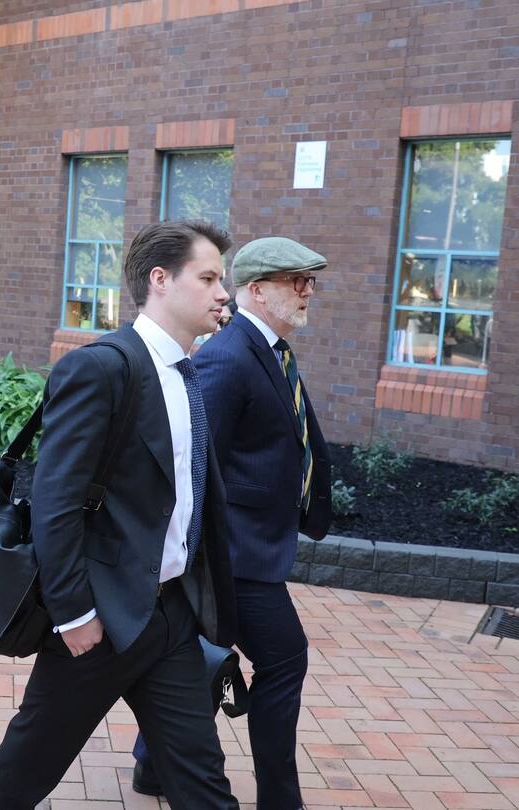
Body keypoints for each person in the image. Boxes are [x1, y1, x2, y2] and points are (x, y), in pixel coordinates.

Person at [0, 220, 240, 810]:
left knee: (201, 778)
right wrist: (74, 615)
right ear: (161, 280)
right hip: (102, 620)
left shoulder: (188, 373)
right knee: (27, 767)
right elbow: (56, 500)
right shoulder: (102, 367)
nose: (225, 293)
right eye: (210, 277)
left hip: (169, 616)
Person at [173, 235, 333, 809]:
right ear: (257, 290)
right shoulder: (228, 354)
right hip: (235, 554)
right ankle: (280, 800)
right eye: (298, 281)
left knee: (189, 663)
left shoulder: (271, 350)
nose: (308, 291)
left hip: (255, 546)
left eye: (311, 281)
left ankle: (151, 764)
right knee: (285, 657)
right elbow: (194, 462)